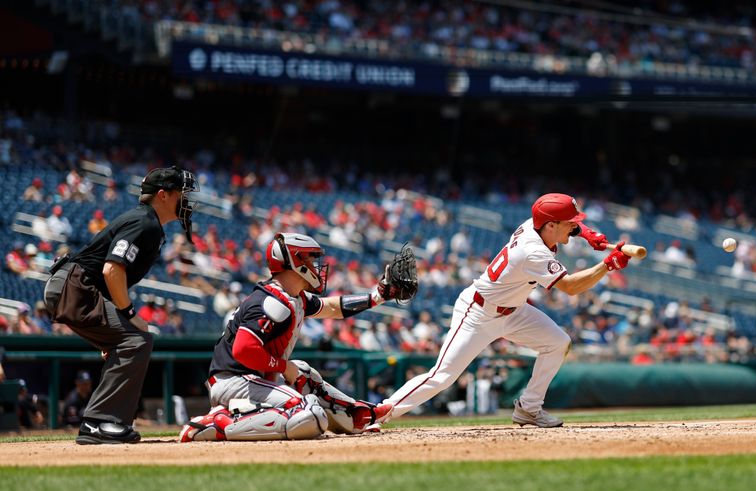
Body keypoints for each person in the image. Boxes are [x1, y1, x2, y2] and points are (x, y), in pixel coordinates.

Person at [371, 193, 630, 430]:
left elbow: (566, 223)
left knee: (558, 343)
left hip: (514, 310)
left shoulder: (536, 224)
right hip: (478, 313)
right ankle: (376, 414)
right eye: (570, 223)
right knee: (443, 376)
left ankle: (529, 409)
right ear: (551, 225)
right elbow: (571, 287)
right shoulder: (533, 252)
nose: (574, 226)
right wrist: (607, 265)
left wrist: (587, 233)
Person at [179, 232, 395, 442]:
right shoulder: (270, 302)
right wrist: (283, 367)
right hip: (233, 380)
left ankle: (356, 415)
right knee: (310, 417)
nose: (316, 267)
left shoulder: (293, 297)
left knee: (304, 373)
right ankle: (218, 424)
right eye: (311, 259)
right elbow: (243, 350)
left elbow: (331, 307)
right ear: (295, 261)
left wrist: (378, 297)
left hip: (254, 378)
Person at [43, 166, 198, 444]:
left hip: (76, 287)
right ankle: (100, 421)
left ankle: (103, 420)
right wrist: (129, 314)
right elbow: (112, 270)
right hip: (74, 287)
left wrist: (112, 335)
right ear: (163, 195)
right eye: (180, 194)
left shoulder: (149, 223)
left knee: (131, 340)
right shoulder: (144, 222)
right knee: (137, 339)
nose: (185, 201)